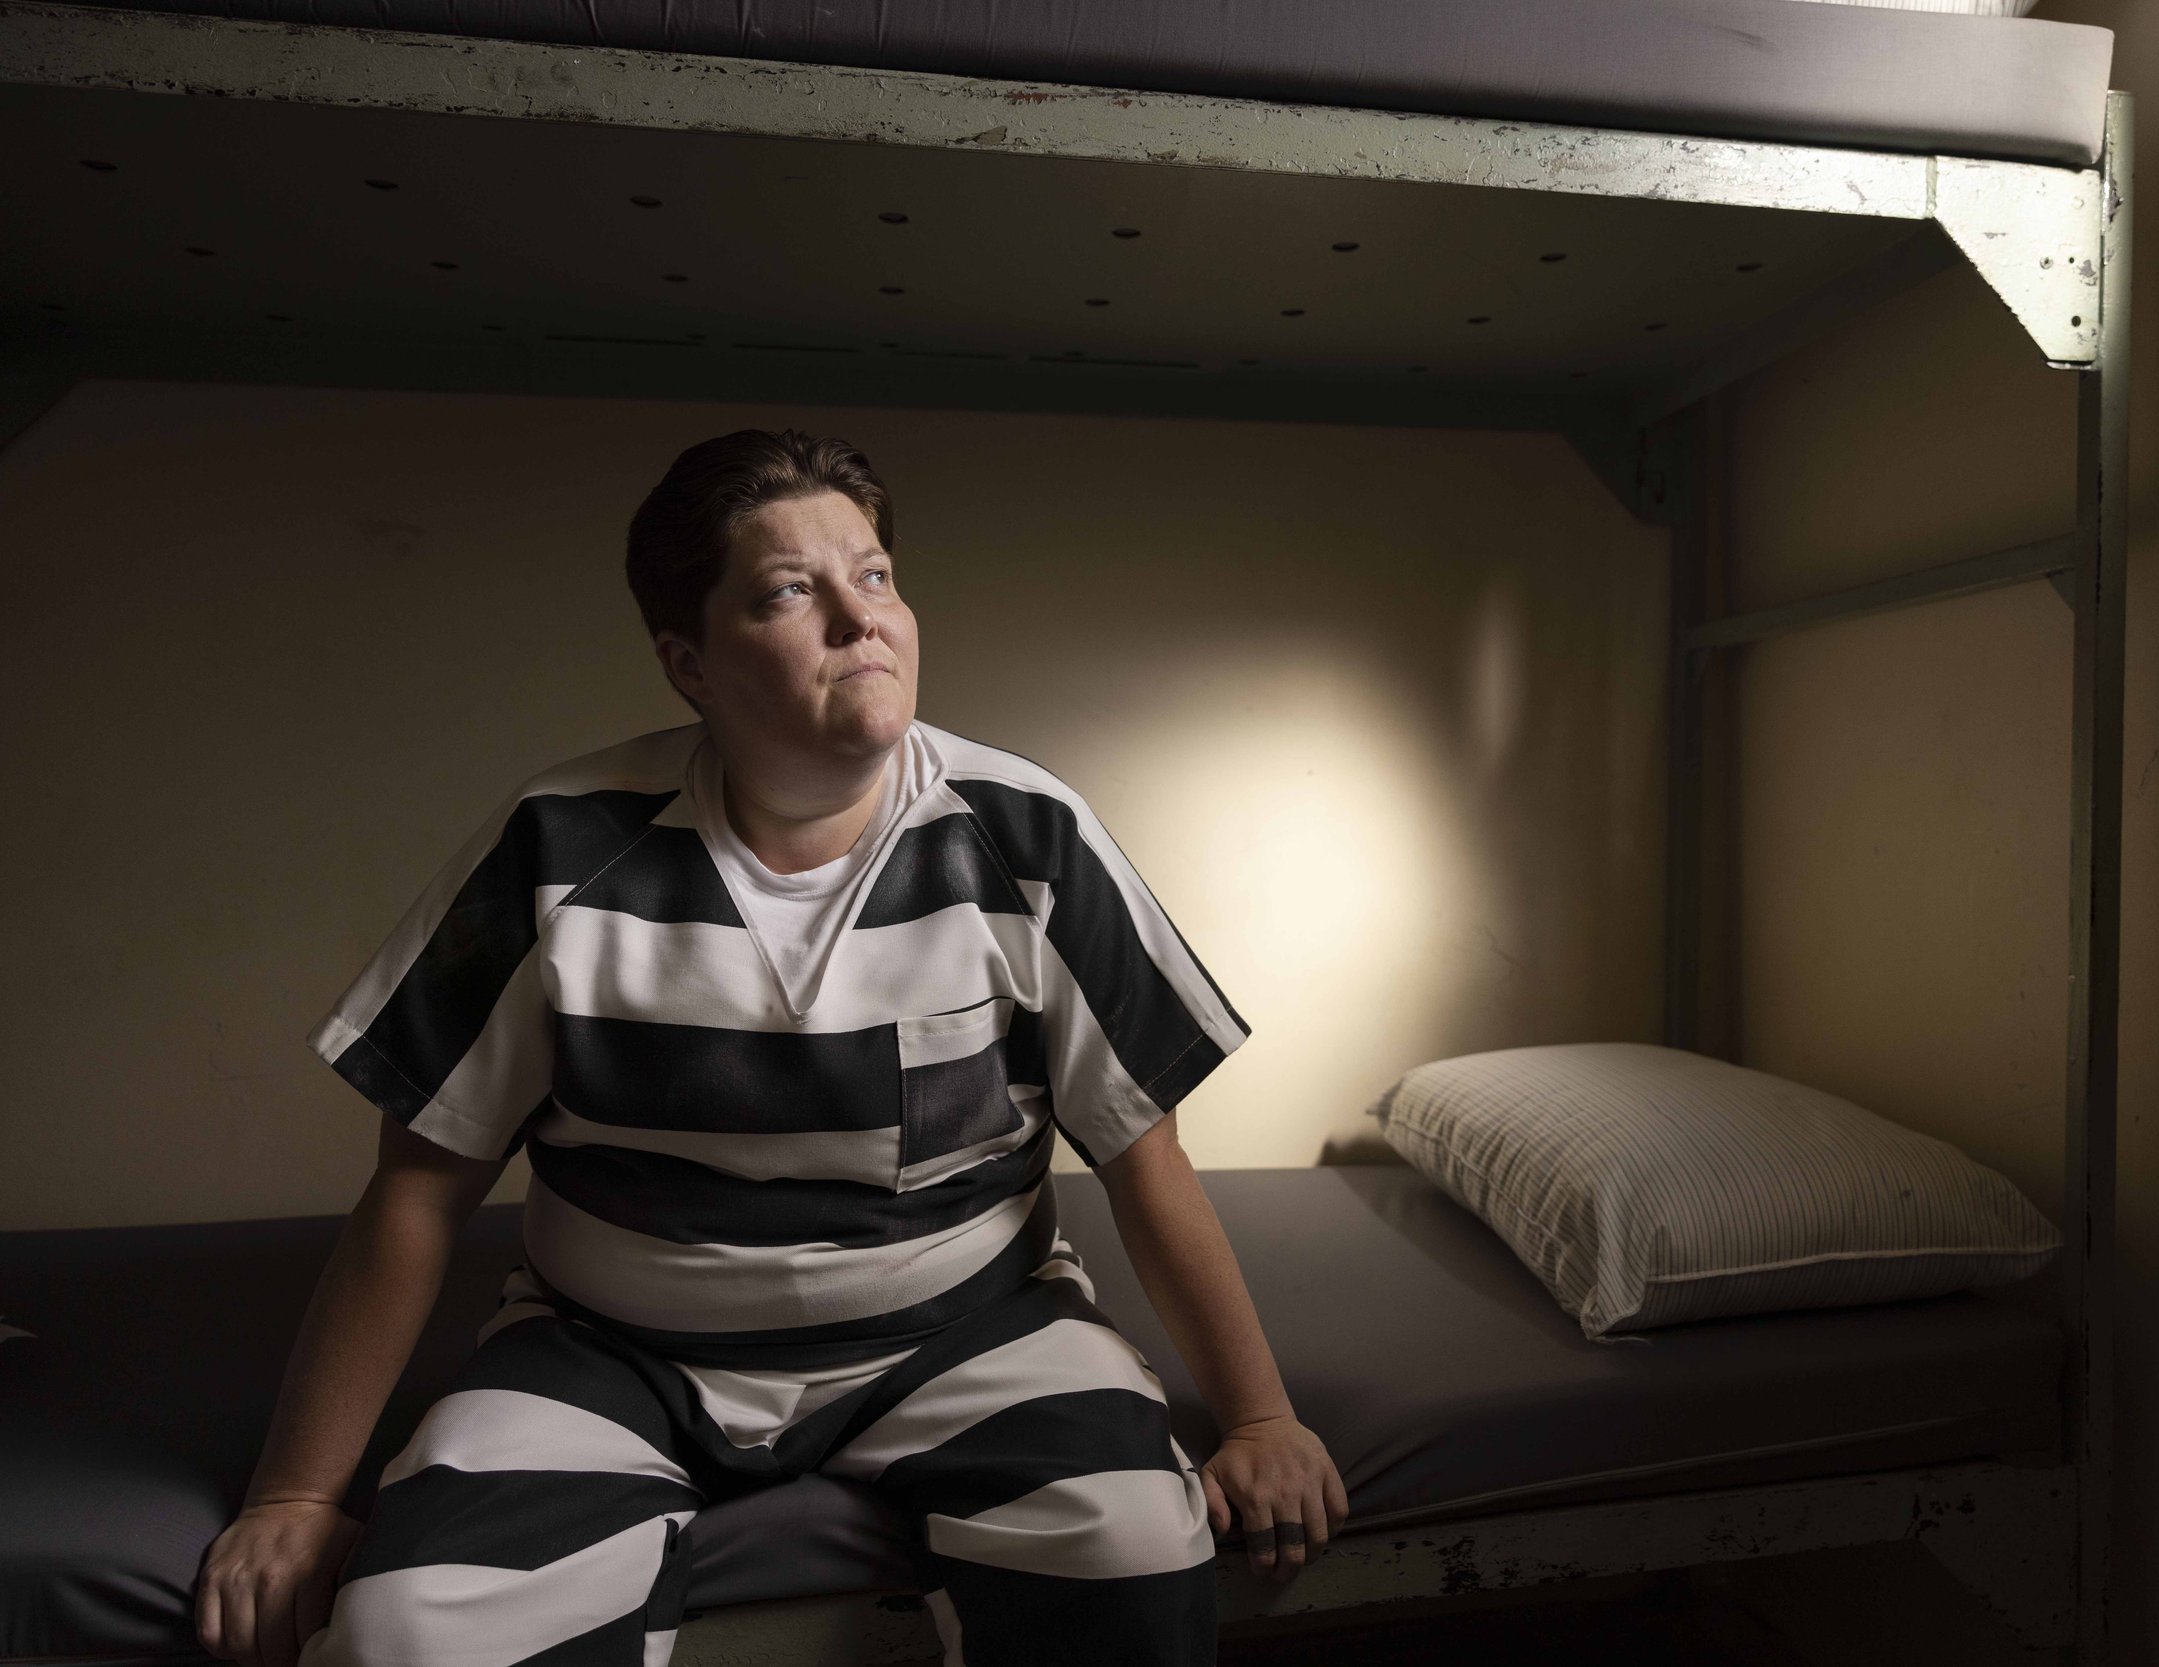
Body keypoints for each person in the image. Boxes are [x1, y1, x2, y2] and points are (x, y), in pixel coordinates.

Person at [191, 428, 1346, 1667]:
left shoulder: (1027, 834)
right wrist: (297, 1496)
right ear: (687, 661)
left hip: (964, 1327)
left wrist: (1261, 1414)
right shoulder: (555, 848)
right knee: (410, 1629)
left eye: (878, 576)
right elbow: (419, 1190)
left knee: (1133, 1543)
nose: (862, 619)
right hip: (612, 1347)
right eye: (792, 590)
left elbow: (1142, 1153)